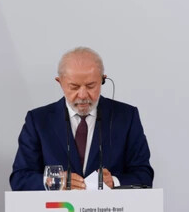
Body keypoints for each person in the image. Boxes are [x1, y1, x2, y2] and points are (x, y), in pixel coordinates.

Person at [10, 47, 153, 190]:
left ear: (103, 80)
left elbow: (144, 175)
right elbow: (19, 178)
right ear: (60, 82)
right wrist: (55, 181)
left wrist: (114, 181)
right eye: (74, 87)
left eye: (91, 86)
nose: (83, 95)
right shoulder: (38, 120)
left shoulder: (127, 117)